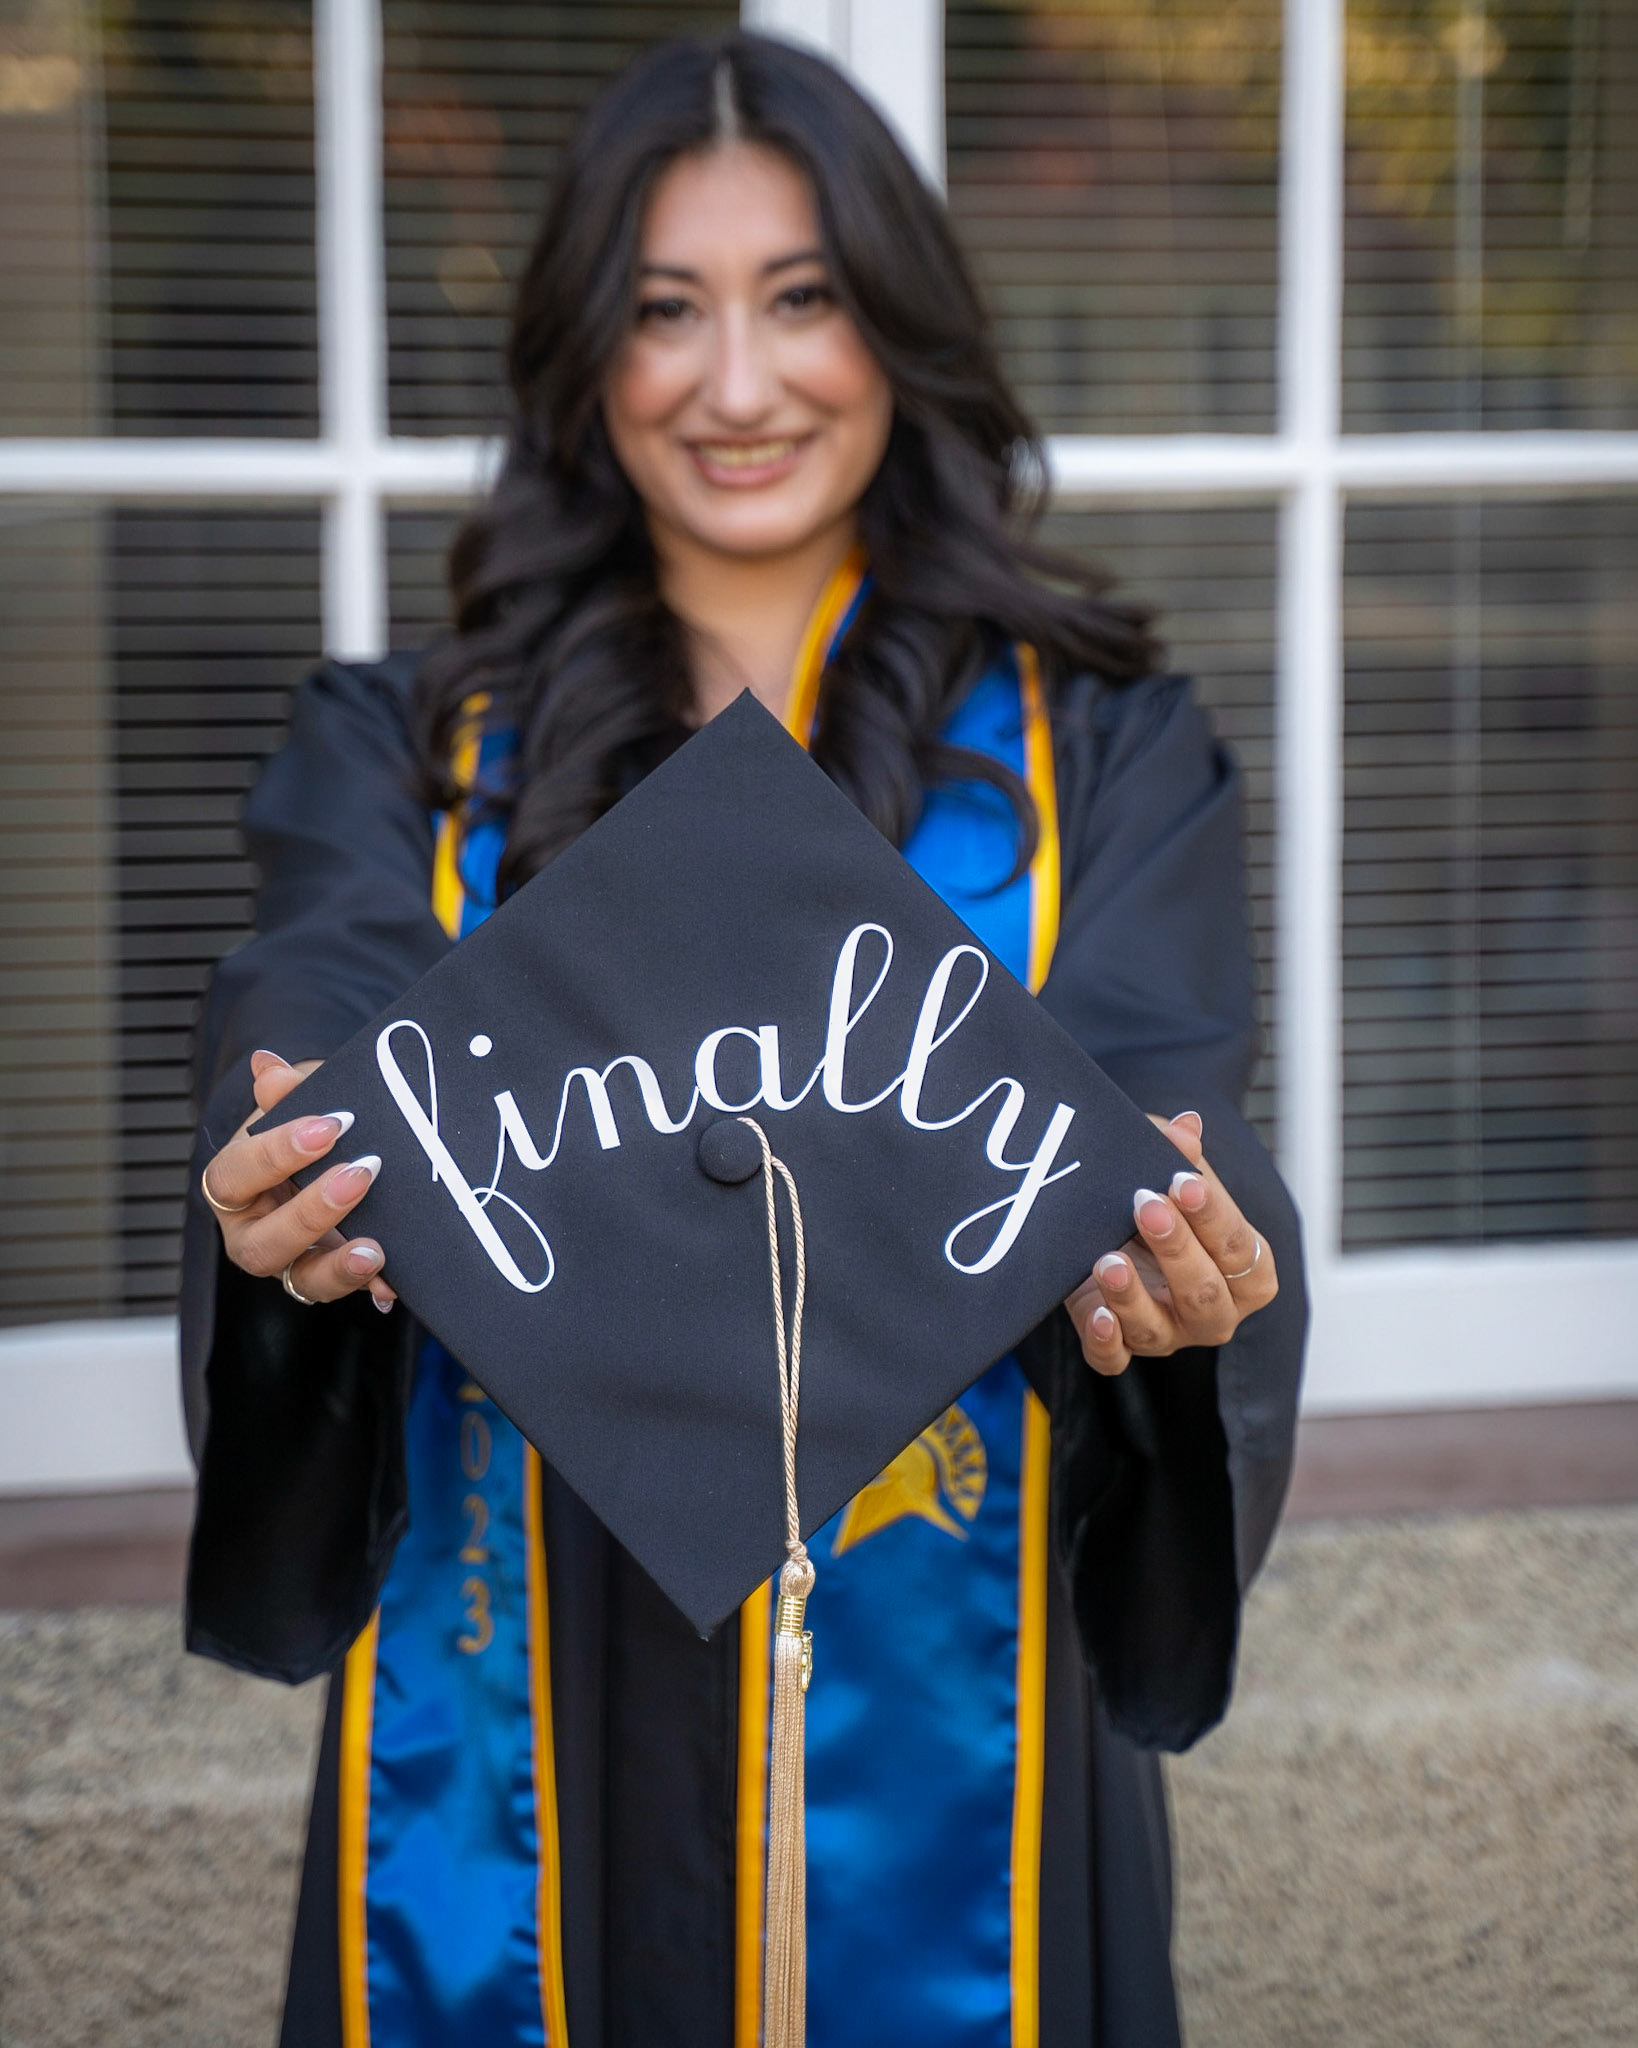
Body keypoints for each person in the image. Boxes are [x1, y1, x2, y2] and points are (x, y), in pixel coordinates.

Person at [182, 31, 1306, 2048]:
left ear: (897, 326)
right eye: (662, 311)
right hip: (524, 1676)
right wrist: (283, 1206)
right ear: (583, 354)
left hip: (947, 1713)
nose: (735, 384)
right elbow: (312, 1011)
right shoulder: (405, 760)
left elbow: (1156, 1100)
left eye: (800, 299)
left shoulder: (1100, 761)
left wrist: (1192, 1274)